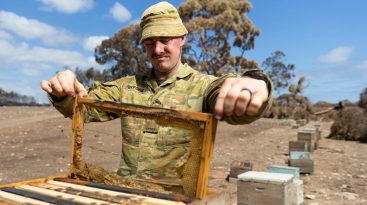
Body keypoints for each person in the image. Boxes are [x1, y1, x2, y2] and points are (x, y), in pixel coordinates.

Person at [40, 1, 273, 195]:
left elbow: (228, 97)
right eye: (150, 43)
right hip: (124, 195)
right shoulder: (126, 88)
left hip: (179, 198)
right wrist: (64, 92)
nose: (158, 49)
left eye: (165, 40)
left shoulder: (203, 87)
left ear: (182, 38)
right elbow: (83, 108)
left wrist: (255, 85)